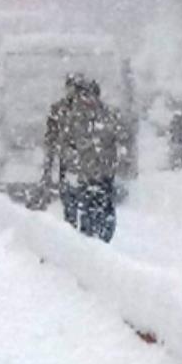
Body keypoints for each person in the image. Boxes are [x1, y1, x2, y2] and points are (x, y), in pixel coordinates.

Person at [44, 74, 127, 242]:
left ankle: (84, 243)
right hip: (97, 175)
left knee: (79, 215)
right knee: (98, 215)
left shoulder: (65, 112)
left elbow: (54, 142)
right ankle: (95, 243)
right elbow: (120, 140)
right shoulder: (106, 113)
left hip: (79, 175)